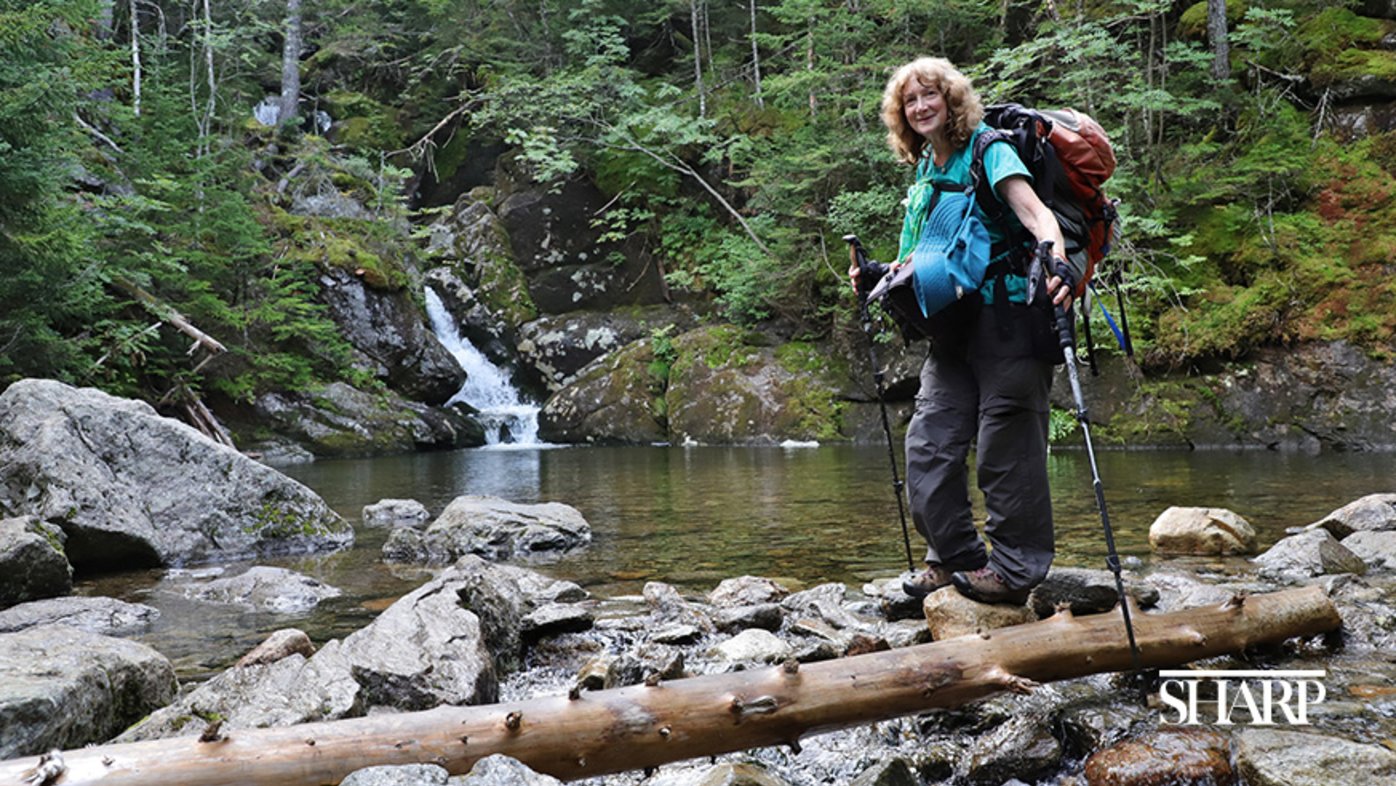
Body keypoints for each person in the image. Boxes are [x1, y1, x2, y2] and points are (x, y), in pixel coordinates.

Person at [849, 57, 1078, 605]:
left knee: (1007, 449)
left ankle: (1016, 571)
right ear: (901, 115)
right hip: (954, 329)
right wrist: (880, 274)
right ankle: (954, 558)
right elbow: (926, 258)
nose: (922, 106)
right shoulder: (928, 167)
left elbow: (1036, 214)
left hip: (1012, 323)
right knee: (928, 445)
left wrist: (1058, 260)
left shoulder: (988, 150)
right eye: (911, 101)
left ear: (952, 100)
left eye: (931, 95)